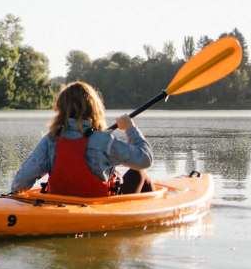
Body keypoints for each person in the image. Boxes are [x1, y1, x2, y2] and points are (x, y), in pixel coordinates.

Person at [10, 81, 153, 196]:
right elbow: (145, 159)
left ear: (61, 110)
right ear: (94, 109)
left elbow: (20, 183)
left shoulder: (51, 139)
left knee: (117, 174)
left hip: (59, 206)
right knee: (139, 172)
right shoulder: (103, 140)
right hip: (96, 210)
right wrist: (130, 128)